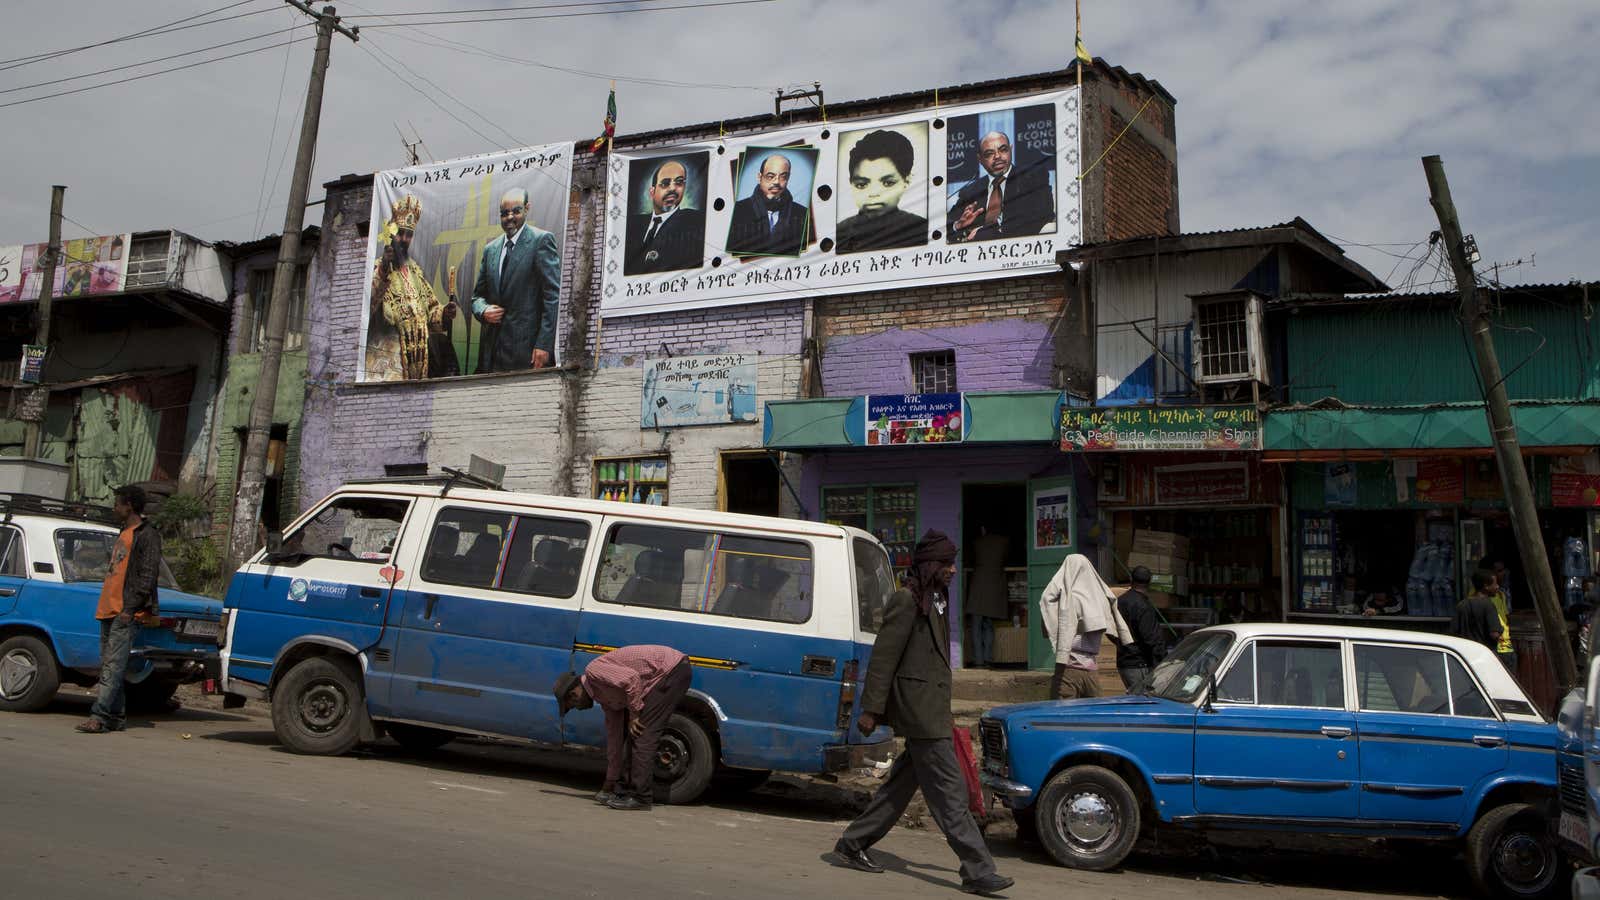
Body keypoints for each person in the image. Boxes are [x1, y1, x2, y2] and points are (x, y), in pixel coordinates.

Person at [828, 531, 1013, 897]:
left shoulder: (937, 600)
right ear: (931, 565)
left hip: (931, 709)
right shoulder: (906, 601)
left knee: (897, 790)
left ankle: (852, 844)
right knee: (951, 794)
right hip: (919, 712)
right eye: (947, 564)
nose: (954, 570)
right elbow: (884, 657)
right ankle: (977, 869)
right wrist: (871, 710)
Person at [553, 644, 692, 811]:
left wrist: (634, 716)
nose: (578, 709)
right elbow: (615, 740)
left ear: (574, 693)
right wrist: (609, 782)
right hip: (664, 674)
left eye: (573, 705)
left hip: (671, 670)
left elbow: (632, 679)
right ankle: (624, 791)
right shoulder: (607, 700)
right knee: (631, 736)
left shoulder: (594, 671)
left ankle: (641, 797)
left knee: (642, 733)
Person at [76, 485, 162, 734]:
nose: (115, 509)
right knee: (111, 666)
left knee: (113, 666)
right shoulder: (124, 532)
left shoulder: (147, 535)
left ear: (130, 506)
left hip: (125, 612)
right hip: (108, 609)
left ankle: (99, 716)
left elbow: (148, 575)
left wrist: (130, 608)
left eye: (118, 504)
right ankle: (115, 716)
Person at [471, 188, 560, 373]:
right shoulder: (490, 250)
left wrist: (544, 344)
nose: (510, 217)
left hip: (527, 353)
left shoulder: (541, 241)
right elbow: (477, 297)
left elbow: (552, 298)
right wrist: (484, 310)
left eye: (516, 211)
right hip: (493, 354)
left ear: (527, 209)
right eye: (504, 213)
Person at [368, 195, 455, 381]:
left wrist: (444, 313)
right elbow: (367, 304)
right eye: (400, 233)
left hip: (417, 366)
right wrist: (384, 267)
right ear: (391, 234)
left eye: (409, 234)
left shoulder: (415, 272)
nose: (404, 239)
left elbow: (430, 310)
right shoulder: (377, 268)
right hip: (386, 364)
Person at [1038, 553, 1133, 699]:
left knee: (1063, 715)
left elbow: (1047, 612)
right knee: (1093, 715)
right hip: (1091, 670)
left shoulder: (1065, 598)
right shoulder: (1100, 596)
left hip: (1068, 668)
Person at [946, 130, 1055, 243]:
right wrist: (958, 225)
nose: (997, 156)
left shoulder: (1032, 176)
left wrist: (991, 231)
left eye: (1003, 150)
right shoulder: (970, 191)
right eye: (989, 154)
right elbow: (943, 227)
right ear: (980, 159)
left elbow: (1043, 213)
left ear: (1011, 149)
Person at [836, 129, 928, 254]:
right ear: (851, 183)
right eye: (862, 184)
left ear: (906, 181)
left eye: (888, 183)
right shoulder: (839, 234)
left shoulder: (922, 230)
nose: (873, 193)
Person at [624, 159, 706, 275]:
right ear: (652, 192)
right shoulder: (632, 224)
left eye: (679, 182)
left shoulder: (695, 222)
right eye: (665, 183)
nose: (673, 188)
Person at [727, 152, 810, 257]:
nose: (776, 182)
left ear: (788, 178)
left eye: (783, 177)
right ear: (759, 177)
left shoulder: (803, 213)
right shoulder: (737, 211)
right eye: (770, 176)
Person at [1115, 567, 1167, 692]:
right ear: (1149, 583)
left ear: (1131, 580)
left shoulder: (1120, 601)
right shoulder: (1143, 606)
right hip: (1139, 664)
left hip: (1125, 662)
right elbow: (1151, 637)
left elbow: (1111, 630)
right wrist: (1163, 659)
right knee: (1143, 702)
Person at [964, 528, 1009, 667]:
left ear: (983, 528)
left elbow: (969, 561)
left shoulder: (977, 542)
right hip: (994, 587)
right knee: (988, 625)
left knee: (976, 626)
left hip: (978, 586)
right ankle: (988, 659)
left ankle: (978, 661)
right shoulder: (1004, 542)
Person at [1451, 571, 1504, 656]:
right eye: (1495, 584)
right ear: (1486, 586)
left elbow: (1454, 632)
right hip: (1484, 653)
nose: (1497, 587)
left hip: (1466, 654)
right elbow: (1494, 634)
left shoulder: (1462, 604)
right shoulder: (1488, 605)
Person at [1487, 565, 1517, 675]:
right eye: (1499, 571)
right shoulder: (1482, 599)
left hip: (1505, 644)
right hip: (1494, 646)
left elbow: (1506, 616)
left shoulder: (1501, 594)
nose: (1503, 574)